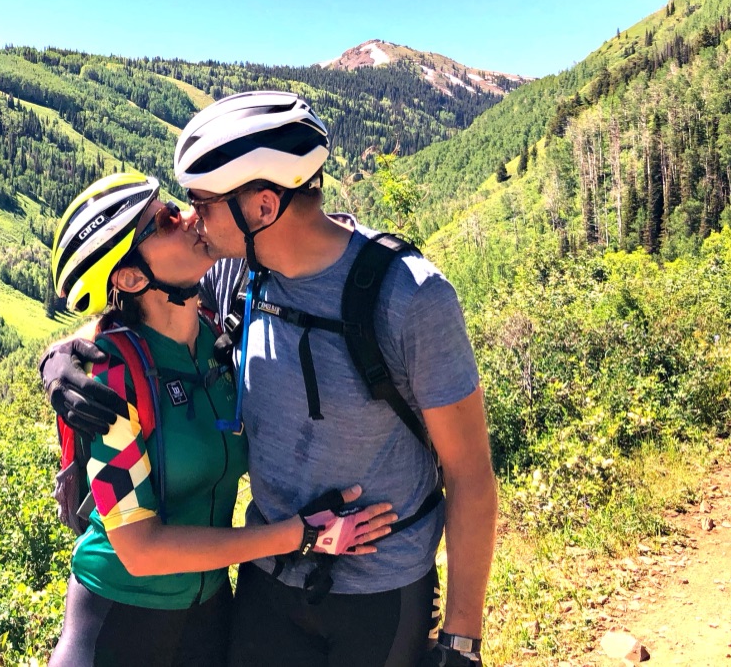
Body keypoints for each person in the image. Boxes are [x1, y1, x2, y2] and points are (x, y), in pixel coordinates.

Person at [44, 93, 498, 667]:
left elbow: (471, 475)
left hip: (378, 592)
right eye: (177, 211)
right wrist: (62, 358)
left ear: (261, 206)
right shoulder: (236, 277)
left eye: (200, 202)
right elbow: (133, 309)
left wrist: (461, 644)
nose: (191, 217)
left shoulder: (408, 297)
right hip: (259, 593)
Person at [43, 170, 398, 667]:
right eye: (166, 220)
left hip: (209, 617)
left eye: (175, 204)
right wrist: (300, 535)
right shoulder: (109, 380)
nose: (189, 215)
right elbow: (140, 550)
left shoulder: (219, 336)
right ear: (129, 277)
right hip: (117, 625)